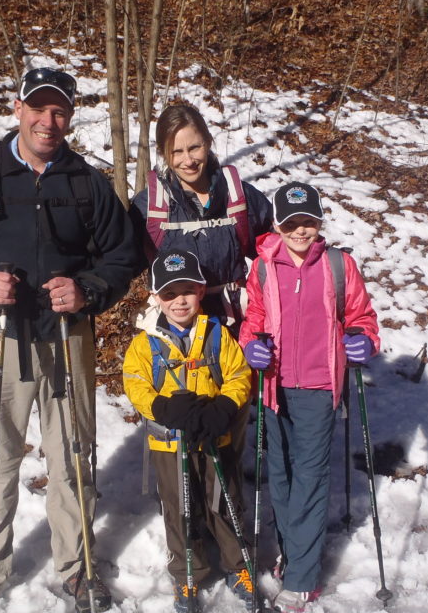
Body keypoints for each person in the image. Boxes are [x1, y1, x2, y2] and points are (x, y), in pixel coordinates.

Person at [0, 66, 140, 613]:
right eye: (38, 108)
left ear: (70, 116)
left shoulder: (87, 183)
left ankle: (79, 569)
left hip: (67, 337)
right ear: (18, 109)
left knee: (73, 456)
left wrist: (87, 289)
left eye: (59, 110)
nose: (48, 120)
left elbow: (123, 255)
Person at [239, 182, 381, 613]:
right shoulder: (264, 268)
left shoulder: (339, 265)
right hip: (275, 387)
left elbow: (362, 317)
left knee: (310, 480)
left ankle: (303, 579)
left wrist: (363, 341)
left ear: (319, 222)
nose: (301, 231)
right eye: (292, 223)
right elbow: (254, 320)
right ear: (278, 225)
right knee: (279, 475)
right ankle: (292, 552)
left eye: (309, 222)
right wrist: (251, 346)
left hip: (319, 387)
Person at [122, 249, 255, 613]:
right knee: (179, 508)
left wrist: (225, 408)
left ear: (200, 291)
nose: (179, 301)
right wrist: (161, 408)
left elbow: (239, 375)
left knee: (223, 500)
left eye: (186, 292)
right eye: (169, 294)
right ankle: (186, 573)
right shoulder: (145, 342)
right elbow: (134, 382)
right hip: (170, 442)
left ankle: (238, 564)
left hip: (215, 435)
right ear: (156, 298)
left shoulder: (217, 334)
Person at [130, 102, 273, 333]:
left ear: (207, 142)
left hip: (235, 324)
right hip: (176, 327)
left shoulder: (237, 196)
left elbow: (276, 250)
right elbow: (120, 260)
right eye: (177, 152)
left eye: (194, 147)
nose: (188, 160)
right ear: (164, 153)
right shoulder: (150, 206)